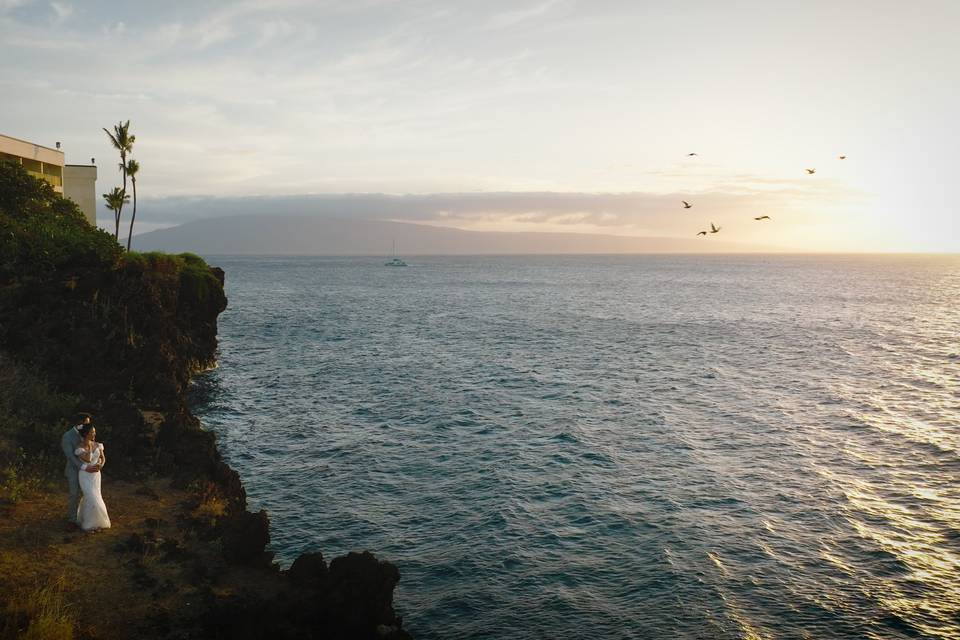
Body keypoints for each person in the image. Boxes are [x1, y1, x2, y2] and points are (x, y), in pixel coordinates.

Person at [61, 413, 98, 530]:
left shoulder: (87, 433)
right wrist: (84, 467)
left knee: (89, 494)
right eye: (87, 423)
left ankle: (86, 518)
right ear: (79, 423)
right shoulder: (67, 436)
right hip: (73, 470)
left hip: (89, 471)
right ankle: (72, 520)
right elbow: (71, 457)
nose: (89, 425)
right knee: (74, 493)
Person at [74, 423, 110, 531]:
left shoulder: (98, 445)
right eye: (92, 432)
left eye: (94, 432)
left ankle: (98, 522)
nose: (94, 434)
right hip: (85, 476)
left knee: (96, 496)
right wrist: (89, 446)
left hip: (96, 475)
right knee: (91, 497)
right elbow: (88, 460)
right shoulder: (79, 448)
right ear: (86, 434)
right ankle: (89, 524)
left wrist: (101, 465)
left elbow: (103, 458)